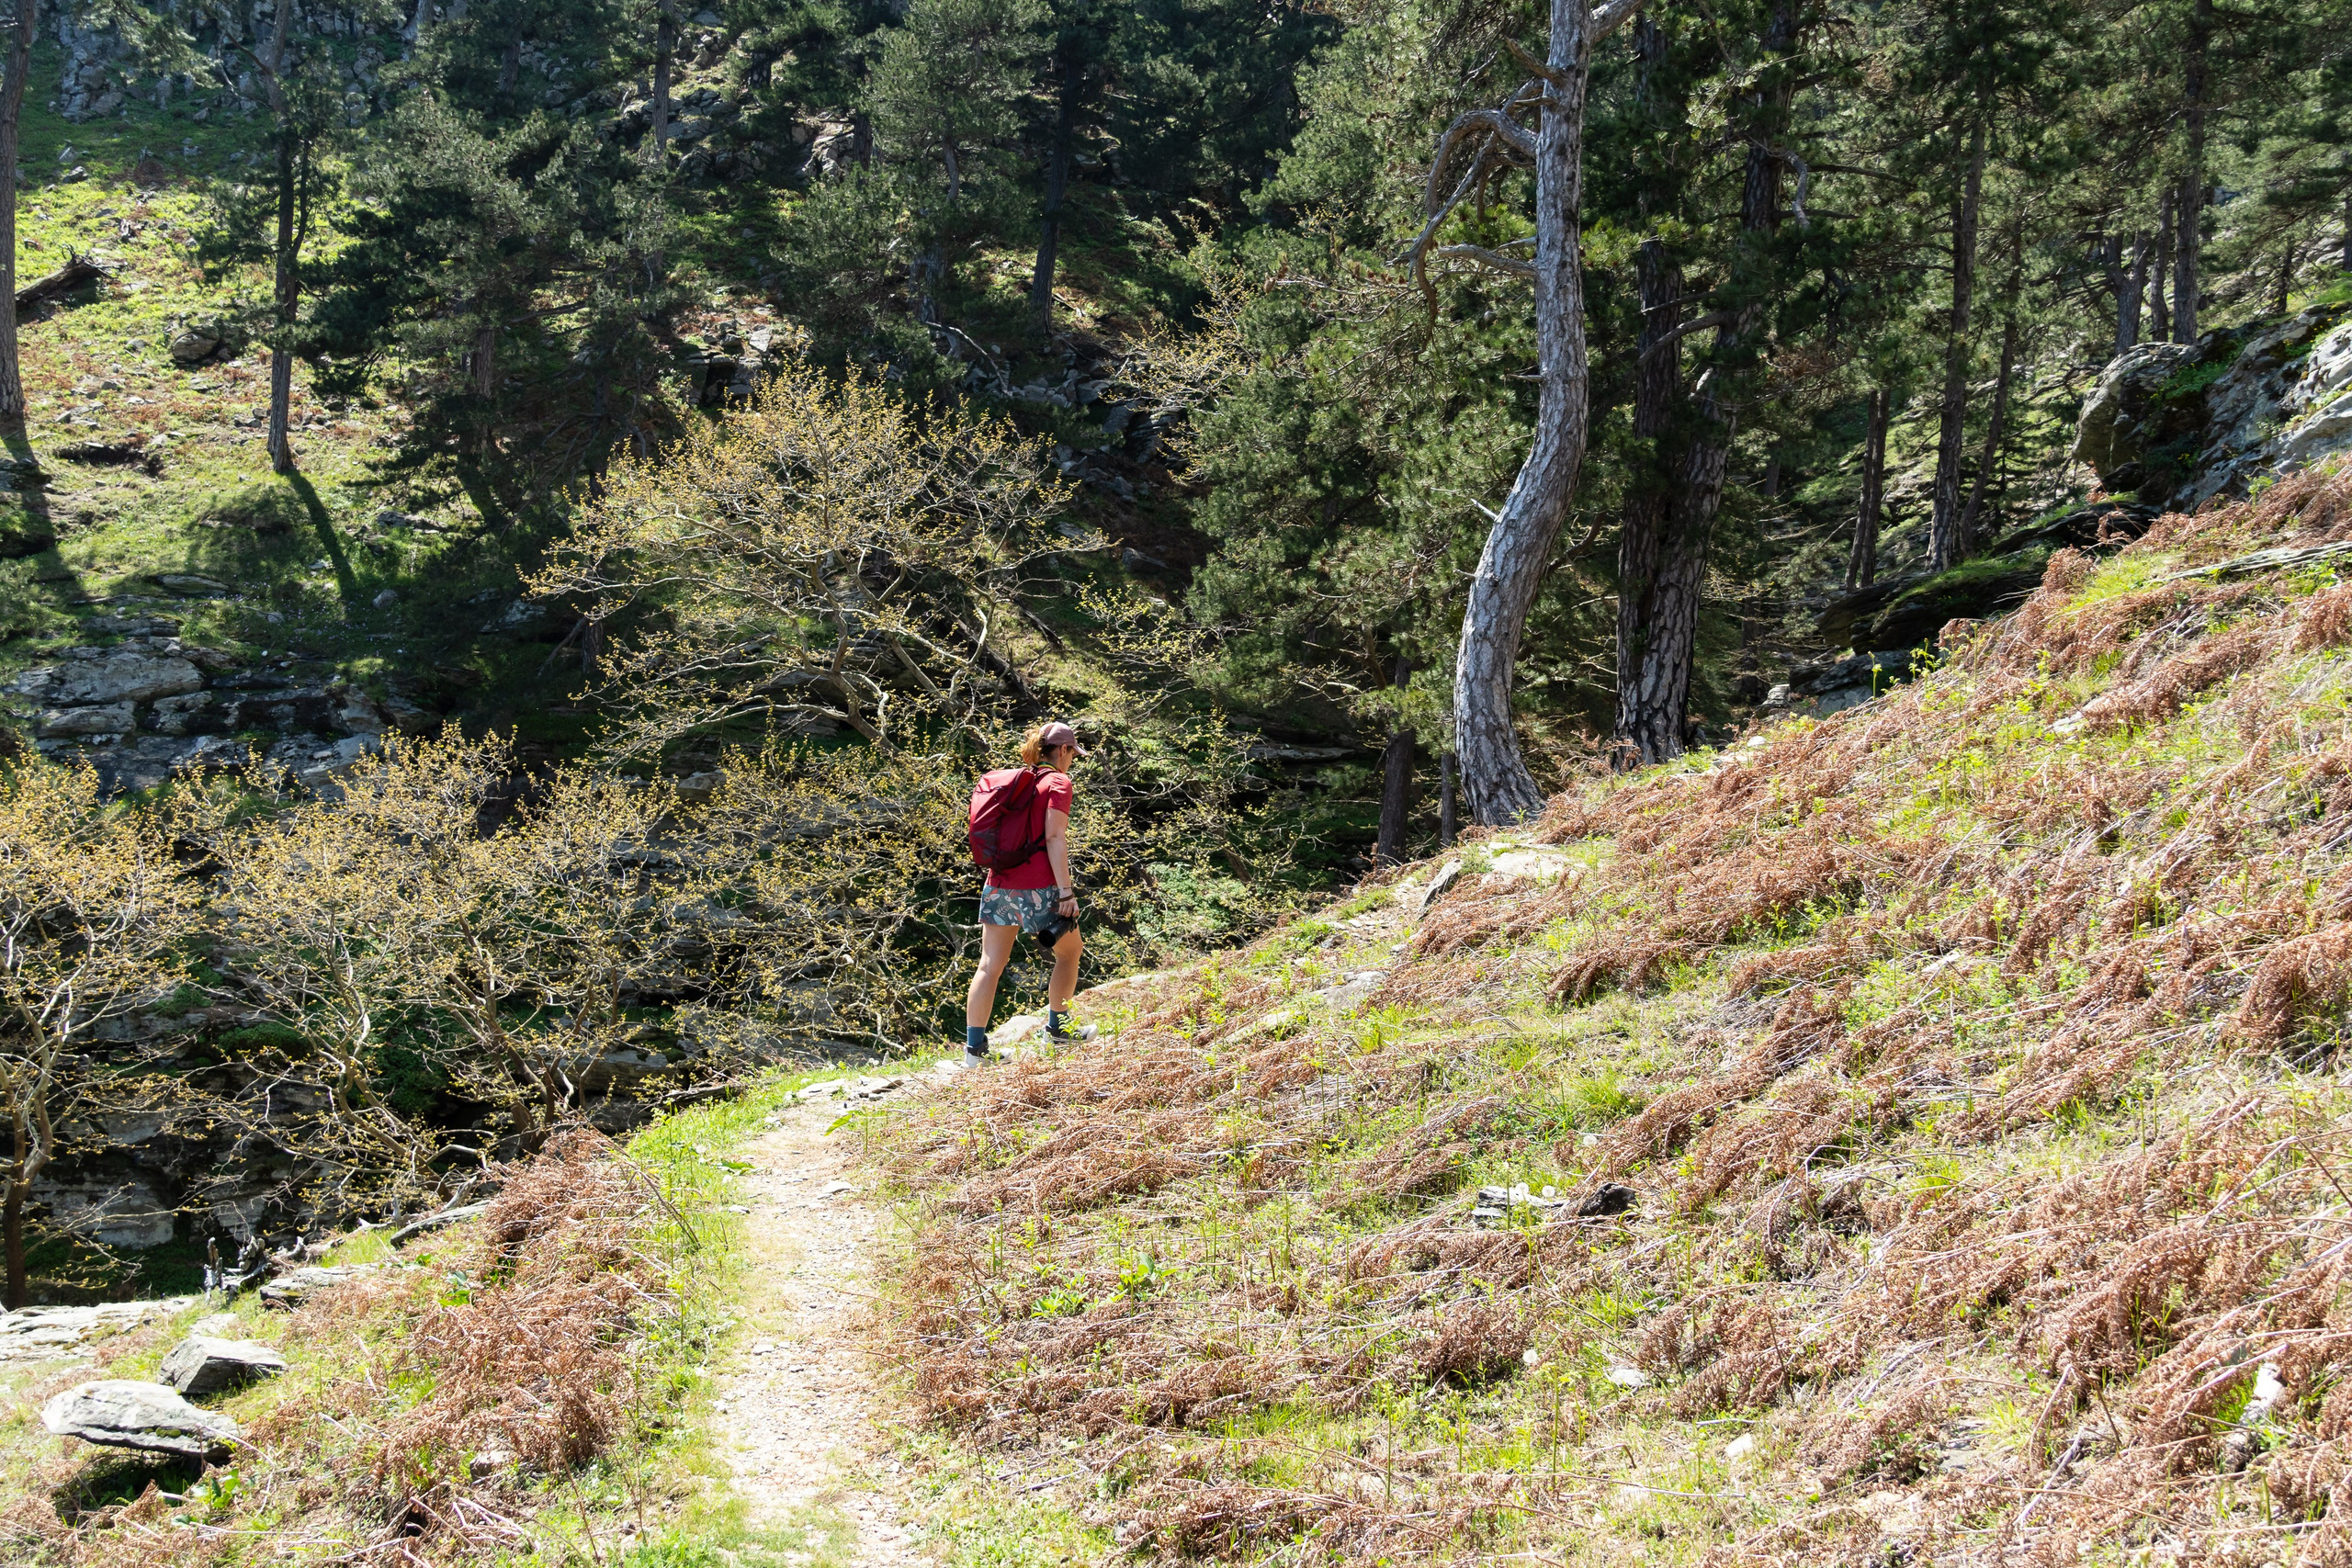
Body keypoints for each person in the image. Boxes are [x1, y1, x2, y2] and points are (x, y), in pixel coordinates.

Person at [965, 720, 1094, 1065]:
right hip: (1038, 887)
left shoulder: (1018, 780)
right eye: (1072, 754)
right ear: (1063, 750)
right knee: (1070, 952)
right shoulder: (1058, 782)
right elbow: (1054, 837)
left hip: (999, 881)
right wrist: (1065, 892)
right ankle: (1060, 1030)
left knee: (990, 964)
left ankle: (975, 1052)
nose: (1071, 761)